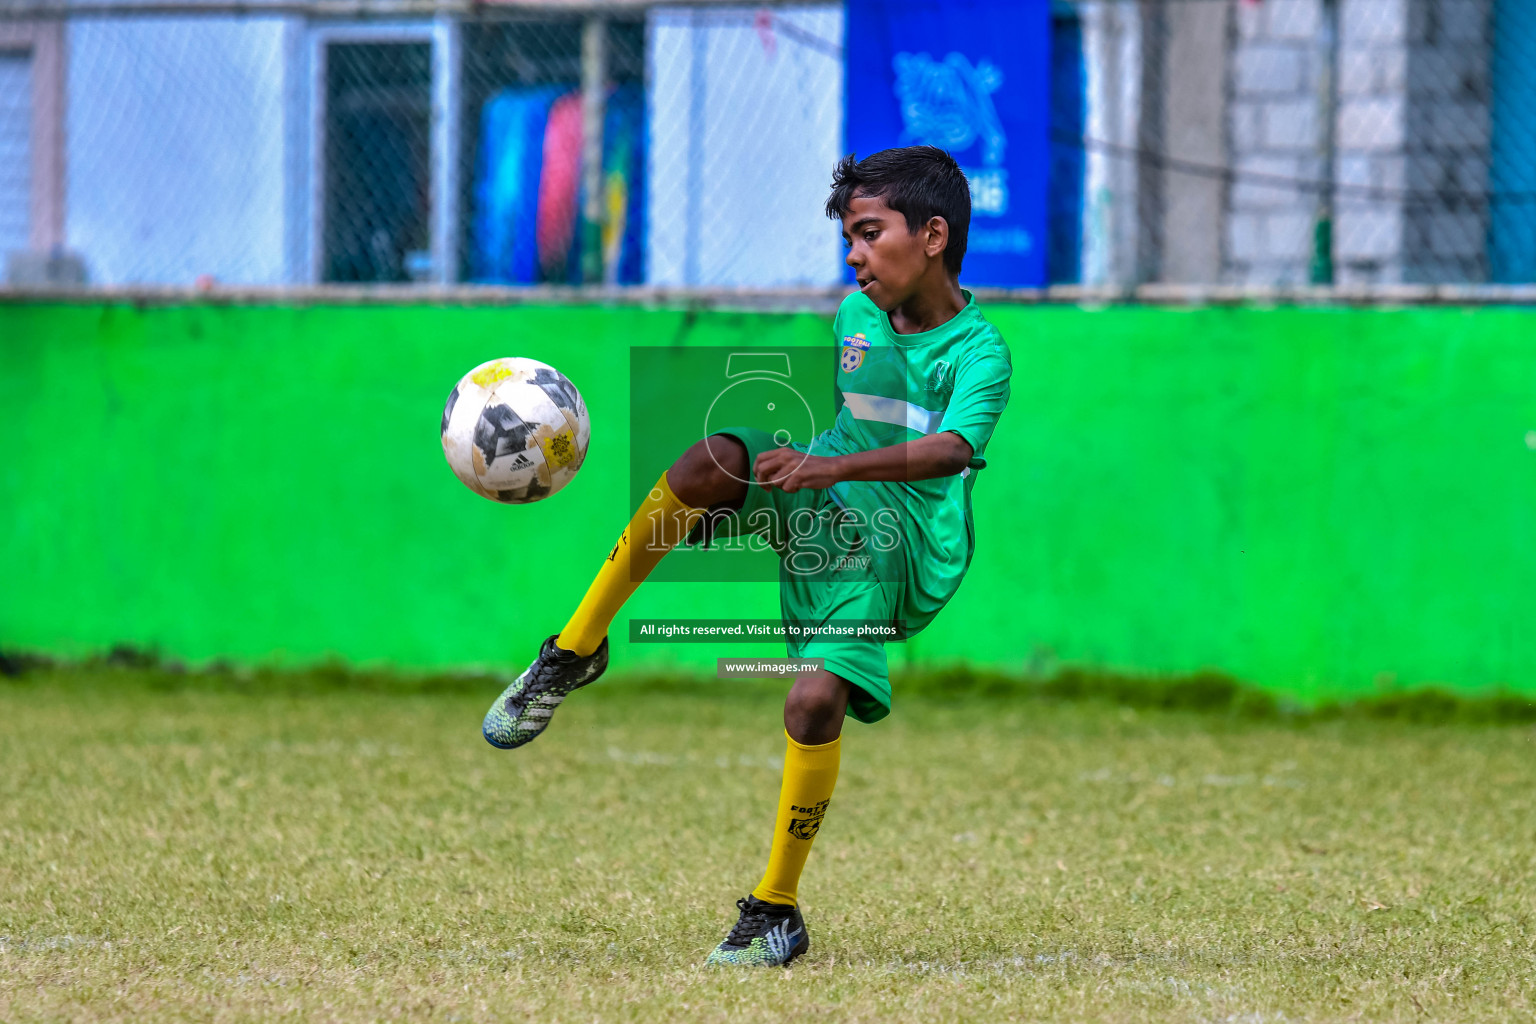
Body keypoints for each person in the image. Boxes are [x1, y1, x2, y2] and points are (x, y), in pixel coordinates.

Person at [481, 145, 1013, 967]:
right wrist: (759, 495)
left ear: (934, 234)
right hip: (827, 496)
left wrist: (825, 470)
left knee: (809, 704)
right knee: (708, 463)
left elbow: (947, 452)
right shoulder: (856, 315)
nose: (854, 255)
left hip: (900, 546)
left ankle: (776, 911)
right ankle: (572, 652)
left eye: (870, 234)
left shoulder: (980, 352)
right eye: (848, 237)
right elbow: (854, 425)